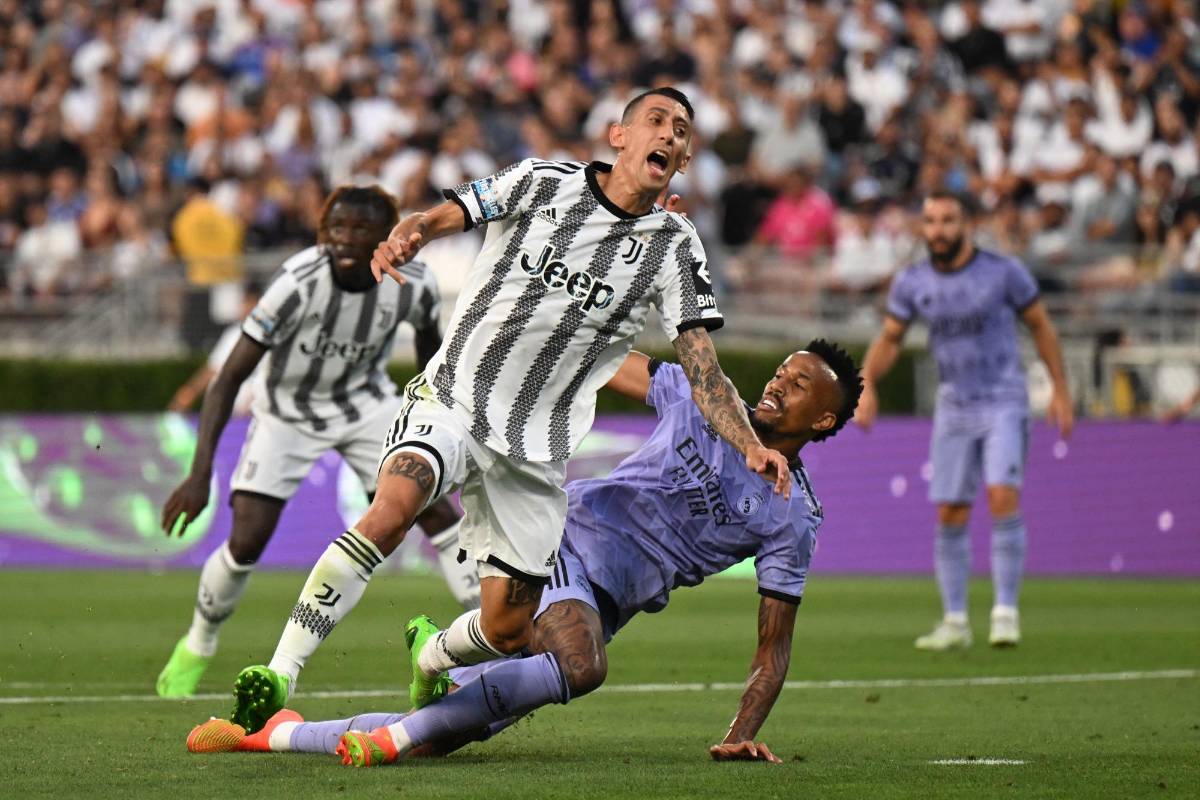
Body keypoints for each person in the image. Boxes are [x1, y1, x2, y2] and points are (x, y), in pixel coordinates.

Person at [226, 86, 793, 735]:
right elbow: (447, 214)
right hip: (457, 398)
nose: (669, 135)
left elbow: (703, 366)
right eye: (657, 121)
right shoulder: (544, 182)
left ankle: (432, 653)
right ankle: (279, 673)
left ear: (685, 160)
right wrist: (409, 233)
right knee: (393, 507)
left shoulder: (674, 246)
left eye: (682, 131)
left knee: (508, 627)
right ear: (619, 135)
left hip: (535, 449)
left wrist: (750, 444)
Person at [186, 340, 862, 765]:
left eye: (799, 385)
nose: (777, 384)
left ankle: (273, 735)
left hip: (604, 603)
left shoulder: (792, 516)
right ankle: (425, 677)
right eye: (782, 370)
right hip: (561, 540)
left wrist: (743, 730)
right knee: (581, 666)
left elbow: (773, 647)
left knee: (448, 734)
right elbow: (603, 360)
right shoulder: (699, 402)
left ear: (824, 420)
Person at [155, 186, 479, 698]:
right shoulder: (297, 282)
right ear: (322, 233)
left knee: (433, 507)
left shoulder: (412, 281)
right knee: (246, 541)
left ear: (386, 236)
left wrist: (442, 424)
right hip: (287, 413)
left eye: (361, 230)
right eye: (337, 229)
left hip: (364, 406)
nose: (346, 240)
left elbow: (430, 357)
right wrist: (199, 475)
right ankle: (199, 642)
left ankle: (489, 631)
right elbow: (229, 377)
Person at [854, 189, 1074, 650]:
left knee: (1001, 496)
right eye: (930, 221)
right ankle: (955, 621)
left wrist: (1060, 388)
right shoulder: (912, 282)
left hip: (1004, 399)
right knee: (951, 509)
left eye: (948, 221)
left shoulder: (1002, 273)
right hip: (953, 405)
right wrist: (867, 383)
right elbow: (891, 338)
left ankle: (1005, 612)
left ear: (967, 224)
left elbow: (1040, 325)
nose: (938, 230)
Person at [168, 282, 264, 416]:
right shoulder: (232, 334)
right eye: (245, 302)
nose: (247, 308)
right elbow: (213, 369)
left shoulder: (270, 339)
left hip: (255, 416)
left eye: (253, 303)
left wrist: (253, 402)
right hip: (229, 415)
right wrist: (189, 393)